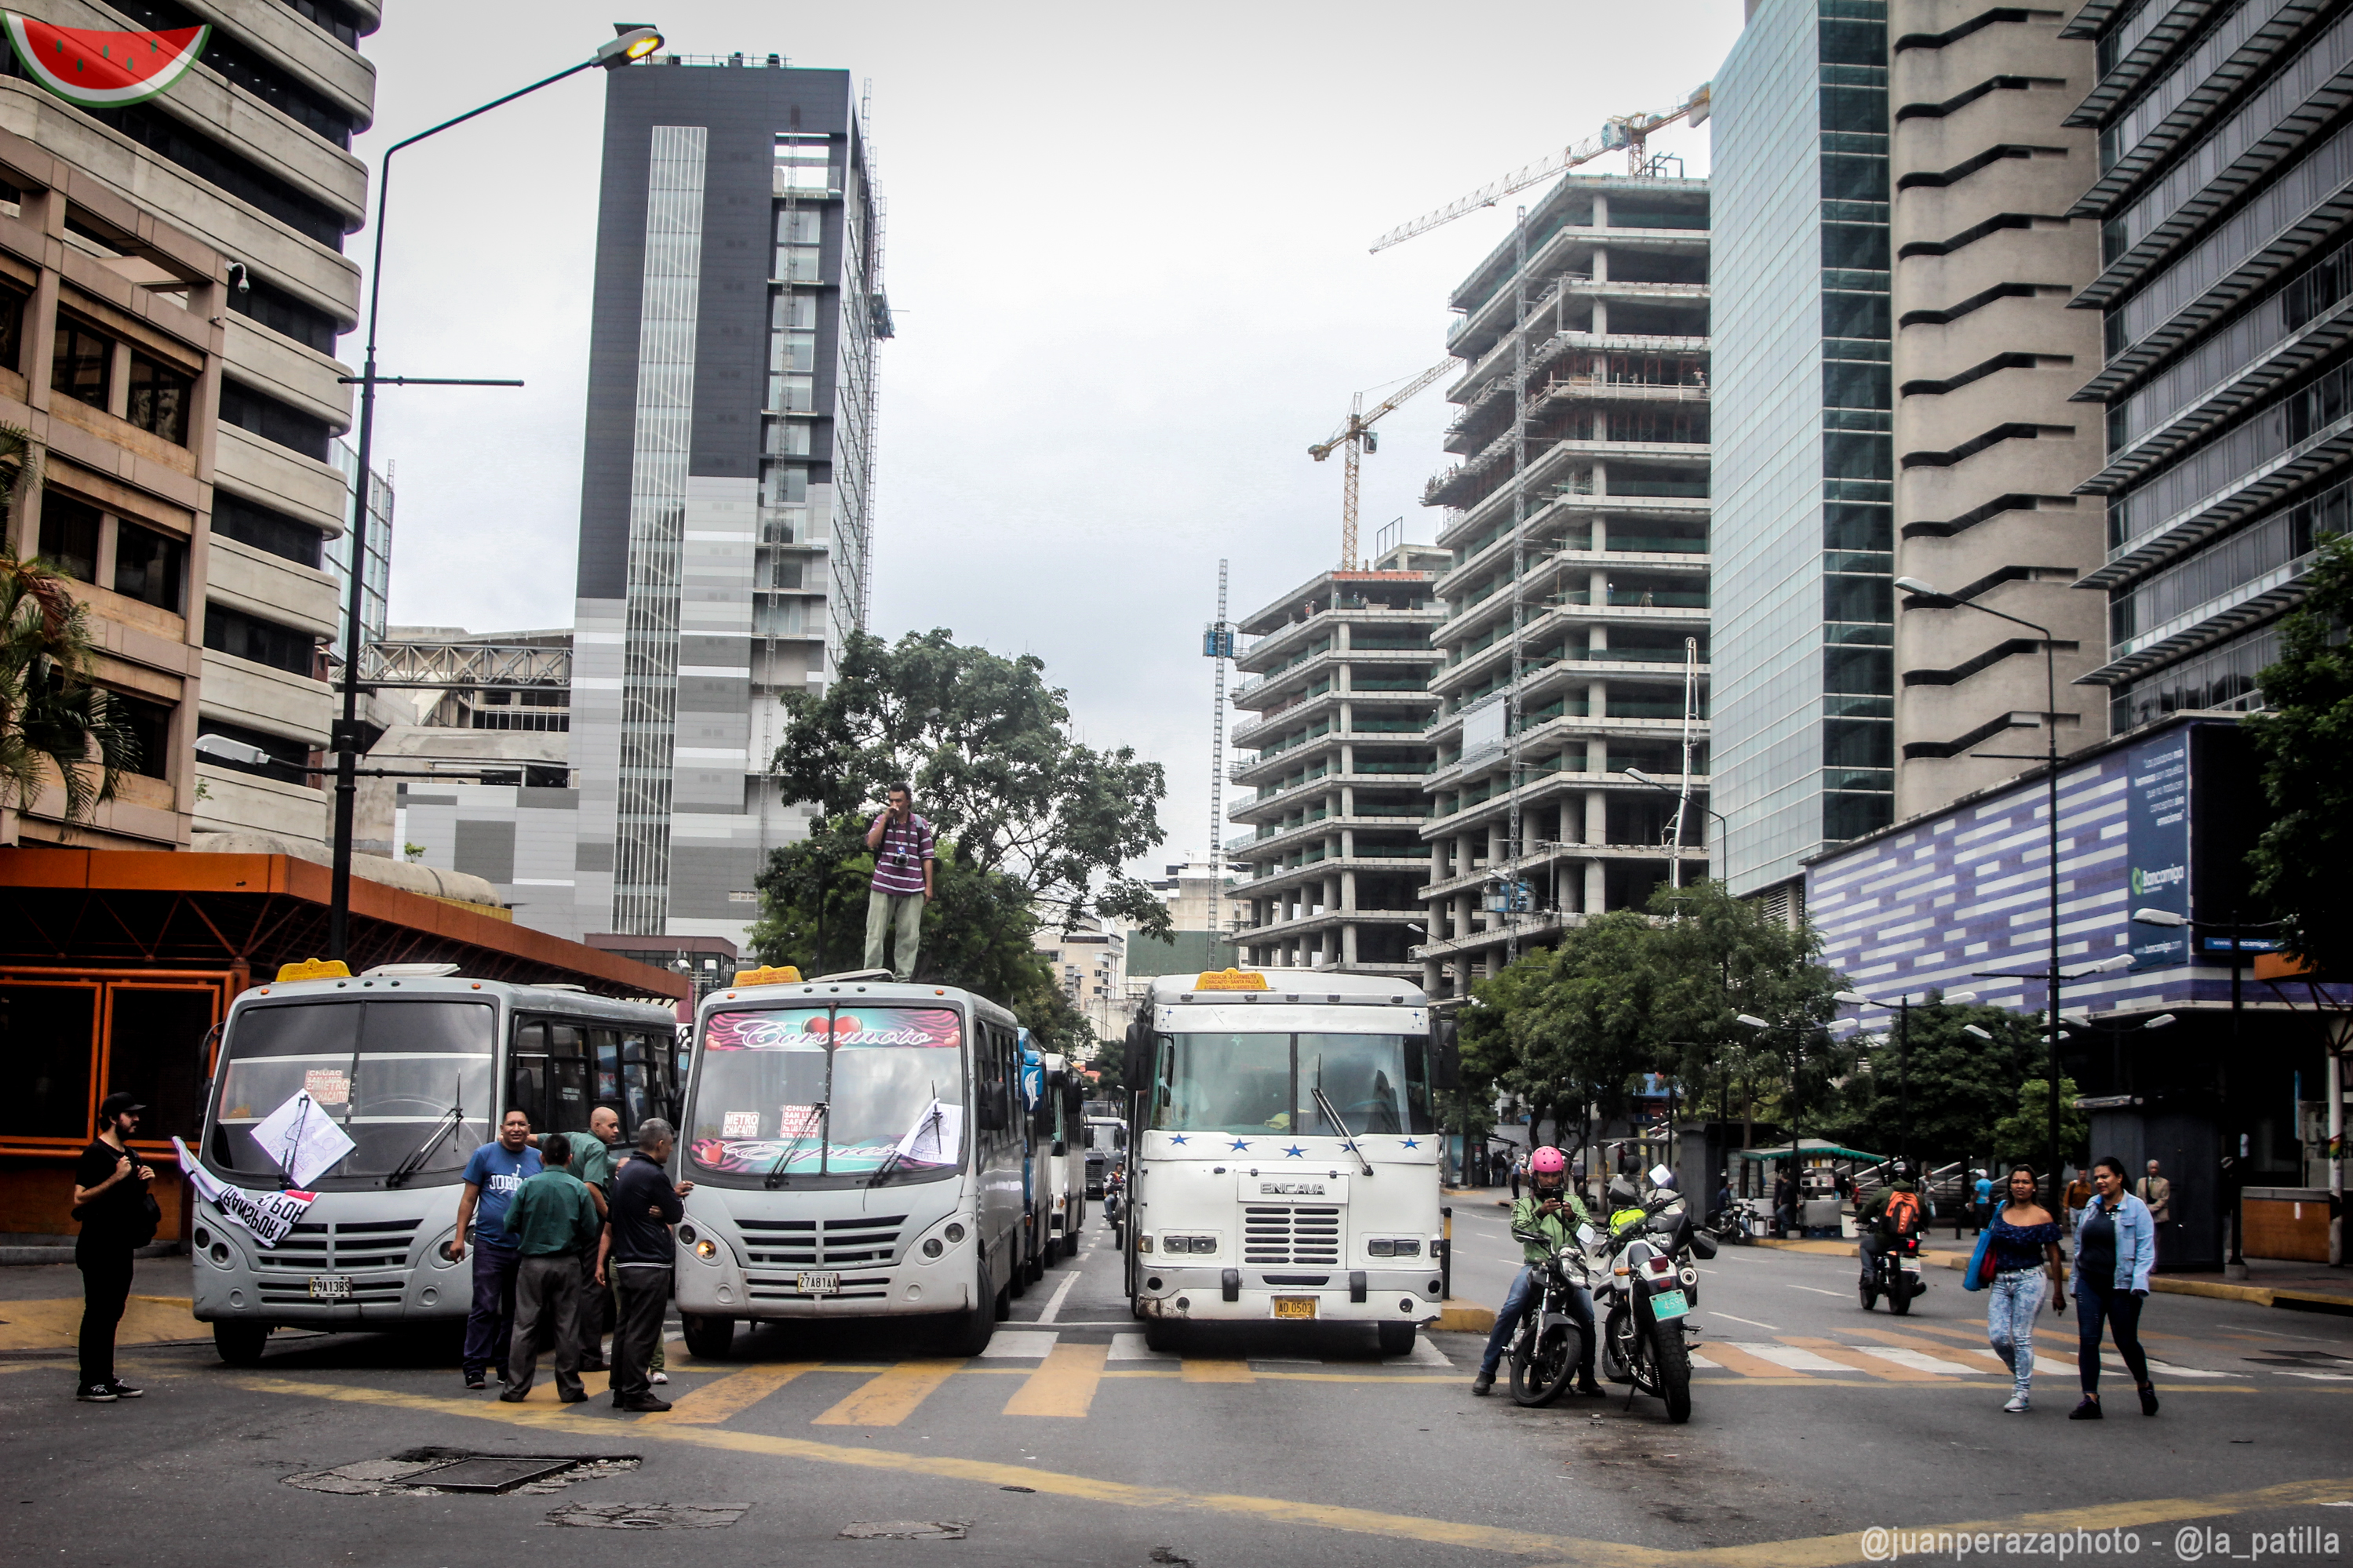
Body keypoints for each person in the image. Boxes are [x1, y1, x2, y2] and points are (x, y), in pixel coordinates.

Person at [1471, 1146, 1599, 1398]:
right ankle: (1487, 1370)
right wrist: (1540, 1213)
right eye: (1544, 1176)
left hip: (1568, 1267)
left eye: (1554, 1176)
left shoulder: (1573, 1202)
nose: (1550, 1181)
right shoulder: (1524, 1204)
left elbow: (1590, 1234)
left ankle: (1587, 1376)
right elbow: (1518, 1232)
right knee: (1512, 1307)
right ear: (1535, 1176)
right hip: (1536, 1267)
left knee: (1587, 1315)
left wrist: (1573, 1218)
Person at [499, 1133, 602, 1404]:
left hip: (532, 1263)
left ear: (542, 1158)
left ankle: (515, 1388)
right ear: (570, 1158)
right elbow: (590, 1228)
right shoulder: (578, 1188)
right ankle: (569, 1388)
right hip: (567, 1263)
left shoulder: (528, 1186)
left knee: (525, 1325)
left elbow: (510, 1223)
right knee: (566, 1327)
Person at [600, 1117, 692, 1413]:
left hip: (625, 1261)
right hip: (649, 1264)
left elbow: (614, 1216)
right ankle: (637, 1392)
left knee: (625, 1328)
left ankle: (619, 1388)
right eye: (670, 1145)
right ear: (661, 1144)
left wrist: (657, 1208)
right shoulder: (653, 1175)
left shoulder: (625, 1173)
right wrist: (662, 1209)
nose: (670, 1151)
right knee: (644, 1330)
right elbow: (675, 1213)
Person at [71, 1091, 157, 1402]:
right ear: (112, 1117)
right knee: (97, 1311)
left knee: (113, 1312)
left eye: (136, 1114)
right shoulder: (95, 1153)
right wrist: (116, 1177)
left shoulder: (132, 1155)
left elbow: (128, 1201)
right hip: (97, 1245)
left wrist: (143, 1181)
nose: (136, 1119)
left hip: (122, 1245)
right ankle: (89, 1382)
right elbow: (79, 1198)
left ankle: (105, 1377)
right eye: (130, 1114)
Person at [451, 1109, 542, 1391]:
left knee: (516, 1313)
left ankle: (506, 1366)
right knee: (485, 1307)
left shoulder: (537, 1159)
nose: (516, 1129)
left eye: (521, 1124)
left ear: (529, 1129)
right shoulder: (484, 1155)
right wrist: (458, 1237)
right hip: (490, 1245)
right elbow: (469, 1199)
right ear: (502, 1128)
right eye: (511, 1124)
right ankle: (475, 1368)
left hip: (524, 1247)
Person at [2070, 1154, 2158, 1420]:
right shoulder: (2092, 1207)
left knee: (2126, 1341)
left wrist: (2139, 1283)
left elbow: (2145, 1249)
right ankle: (2091, 1399)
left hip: (2122, 1287)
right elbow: (2079, 1246)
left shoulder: (2136, 1208)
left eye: (2105, 1176)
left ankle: (2144, 1385)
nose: (2100, 1182)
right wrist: (2075, 1280)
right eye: (2097, 1177)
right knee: (2088, 1339)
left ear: (2119, 1178)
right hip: (2090, 1282)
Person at [537, 1108, 620, 1370]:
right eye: (612, 1126)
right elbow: (591, 1186)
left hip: (567, 1224)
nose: (617, 1131)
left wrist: (511, 1136)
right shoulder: (597, 1148)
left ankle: (570, 1353)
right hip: (592, 1225)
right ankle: (589, 1355)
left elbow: (538, 1139)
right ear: (596, 1125)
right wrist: (611, 1219)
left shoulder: (572, 1137)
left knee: (569, 1290)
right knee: (594, 1289)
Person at [1983, 1163, 2066, 1413]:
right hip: (2001, 1280)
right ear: (2010, 1185)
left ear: (2034, 1187)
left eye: (2025, 1182)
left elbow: (2054, 1257)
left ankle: (2022, 1392)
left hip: (2030, 1279)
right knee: (1997, 1337)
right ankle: (2020, 1370)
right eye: (2016, 1181)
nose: (2020, 1186)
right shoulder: (2001, 1211)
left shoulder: (2042, 1216)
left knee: (2020, 1336)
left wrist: (2058, 1292)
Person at [863, 781, 935, 980]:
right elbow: (871, 843)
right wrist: (886, 818)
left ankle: (903, 977)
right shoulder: (882, 819)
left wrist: (928, 887)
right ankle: (871, 974)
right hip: (884, 884)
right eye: (891, 800)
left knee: (909, 936)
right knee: (875, 933)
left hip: (912, 886)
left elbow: (927, 856)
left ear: (908, 802)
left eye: (899, 800)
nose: (895, 804)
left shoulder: (920, 824)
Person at [1856, 1164, 1924, 1289]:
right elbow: (1926, 1218)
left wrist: (1860, 1217)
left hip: (1886, 1239)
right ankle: (1912, 1278)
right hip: (1909, 1240)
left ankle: (1870, 1276)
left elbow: (1868, 1211)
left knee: (1864, 1246)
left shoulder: (1885, 1192)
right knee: (1912, 1252)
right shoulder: (1917, 1197)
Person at [2137, 1159, 2173, 1265]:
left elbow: (2164, 1198)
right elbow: (2139, 1197)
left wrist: (2152, 1208)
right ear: (2148, 1169)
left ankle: (2154, 1264)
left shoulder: (2164, 1182)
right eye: (2151, 1168)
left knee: (2156, 1240)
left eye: (2155, 1168)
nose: (2153, 1170)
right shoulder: (2141, 1182)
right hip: (2144, 1215)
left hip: (2158, 1216)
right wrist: (2144, 1208)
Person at [1772, 1169, 1796, 1239]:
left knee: (1779, 1212)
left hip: (1788, 1203)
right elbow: (1782, 1194)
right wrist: (1780, 1200)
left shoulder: (1790, 1185)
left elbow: (1793, 1195)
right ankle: (1783, 1230)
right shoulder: (1784, 1185)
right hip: (1784, 1202)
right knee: (1780, 1214)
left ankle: (1787, 1223)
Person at [1972, 1169, 1995, 1235]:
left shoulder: (1979, 1183)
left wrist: (1973, 1201)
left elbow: (1977, 1193)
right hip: (1987, 1201)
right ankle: (1988, 1229)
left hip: (1980, 1201)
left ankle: (1977, 1231)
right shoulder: (1989, 1182)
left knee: (1978, 1217)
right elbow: (1990, 1191)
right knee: (1986, 1216)